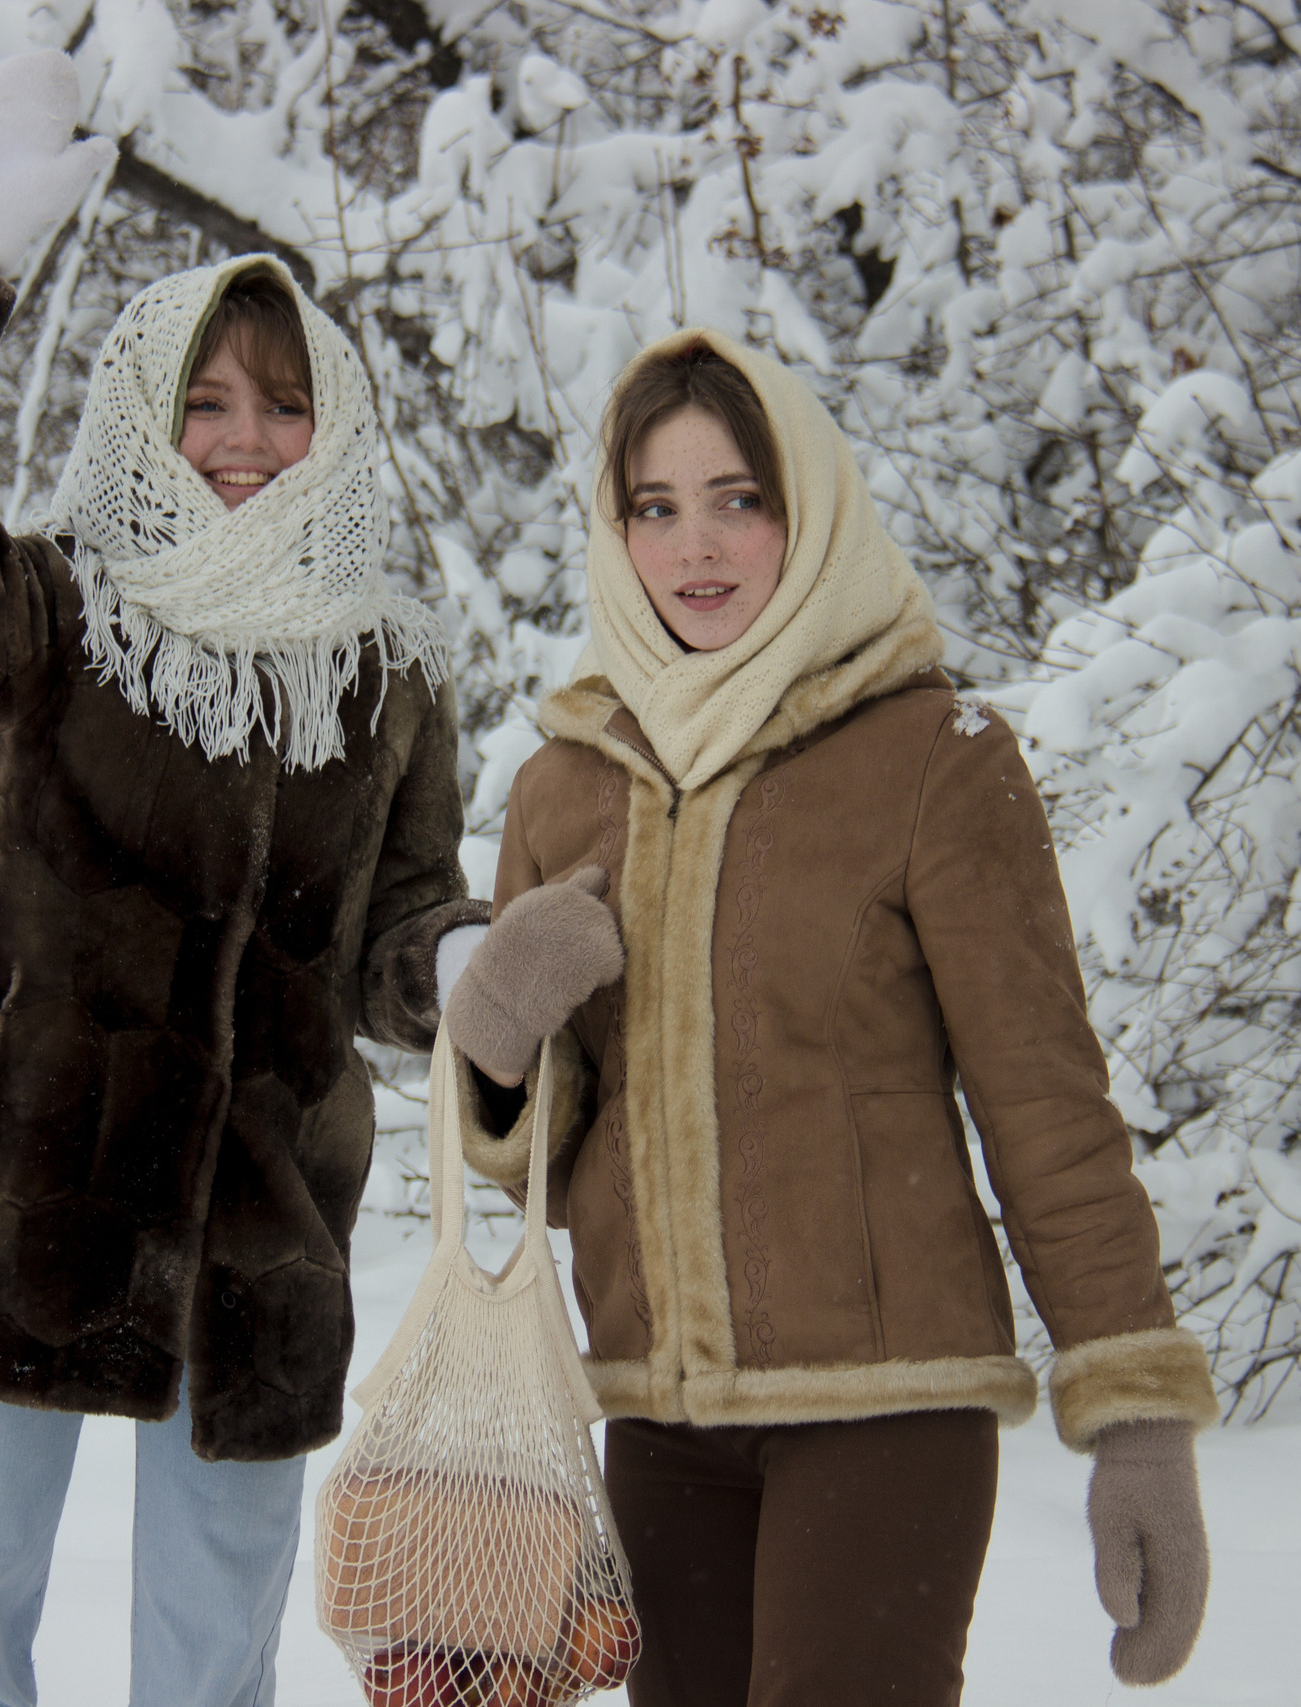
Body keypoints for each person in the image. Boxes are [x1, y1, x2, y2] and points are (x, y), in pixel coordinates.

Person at [0, 51, 487, 1707]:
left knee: (213, 1668)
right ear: (143, 419)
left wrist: (459, 971)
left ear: (331, 424)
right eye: (205, 401)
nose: (244, 439)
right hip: (26, 1202)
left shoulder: (385, 673)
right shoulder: (50, 623)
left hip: (264, 1240)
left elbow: (402, 921)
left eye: (280, 401)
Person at [438, 331, 1218, 1705]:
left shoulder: (931, 758)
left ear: (810, 506)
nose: (698, 546)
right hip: (656, 1419)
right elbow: (539, 1176)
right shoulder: (570, 782)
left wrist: (1136, 1410)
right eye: (655, 507)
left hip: (885, 1413)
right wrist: (496, 1038)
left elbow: (1046, 1106)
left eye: (740, 497)